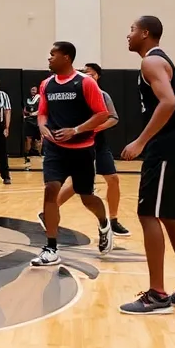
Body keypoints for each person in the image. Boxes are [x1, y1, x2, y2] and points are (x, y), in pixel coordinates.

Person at [120, 17, 175, 315]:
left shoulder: (151, 62)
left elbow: (168, 102)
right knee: (170, 216)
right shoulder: (158, 61)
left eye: (132, 30)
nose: (128, 35)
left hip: (166, 145)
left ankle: (157, 294)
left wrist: (140, 141)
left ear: (145, 33)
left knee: (148, 214)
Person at [31, 41, 112, 268]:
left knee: (87, 197)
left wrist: (75, 130)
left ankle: (104, 223)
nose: (49, 58)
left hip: (82, 149)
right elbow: (42, 113)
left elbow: (102, 114)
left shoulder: (85, 82)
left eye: (53, 54)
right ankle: (51, 247)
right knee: (50, 190)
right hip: (55, 149)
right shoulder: (47, 84)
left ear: (66, 57)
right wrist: (42, 126)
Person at [50, 63, 130, 237]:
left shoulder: (103, 95)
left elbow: (113, 118)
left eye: (91, 74)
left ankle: (114, 220)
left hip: (99, 143)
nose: (88, 76)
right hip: (81, 144)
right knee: (76, 184)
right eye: (85, 73)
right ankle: (49, 211)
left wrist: (94, 128)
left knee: (113, 179)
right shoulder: (75, 94)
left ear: (98, 76)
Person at [22, 85, 42, 170]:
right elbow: (24, 109)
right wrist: (26, 114)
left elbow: (41, 109)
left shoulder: (40, 98)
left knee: (39, 139)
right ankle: (27, 155)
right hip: (29, 121)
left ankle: (40, 154)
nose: (33, 91)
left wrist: (34, 114)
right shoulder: (27, 99)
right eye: (32, 89)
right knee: (28, 138)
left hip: (37, 121)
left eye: (34, 89)